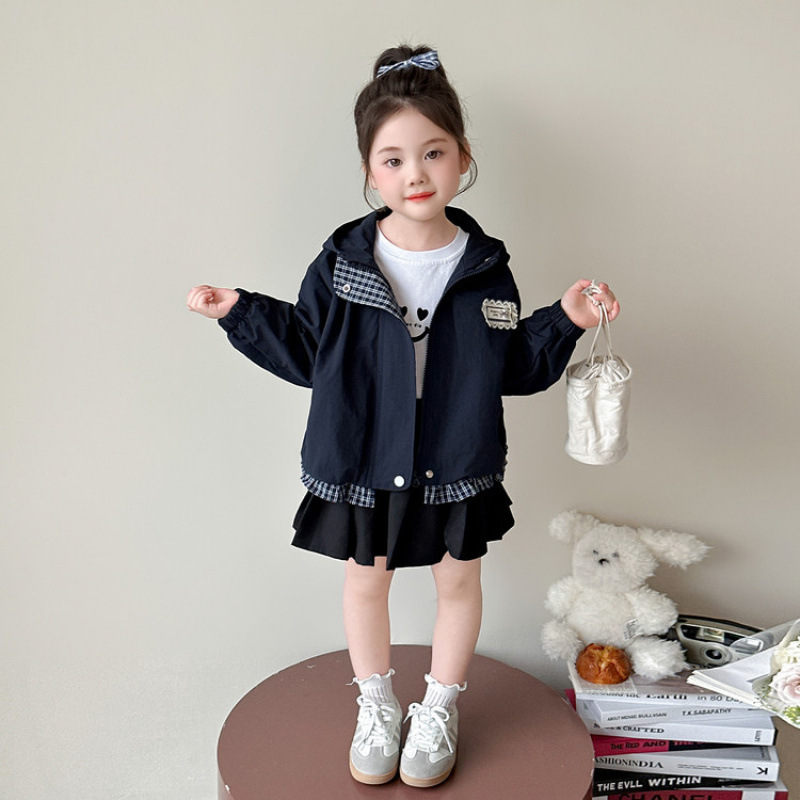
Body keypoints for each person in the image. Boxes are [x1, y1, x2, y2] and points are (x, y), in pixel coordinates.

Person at [187, 44, 619, 788]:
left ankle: (440, 707)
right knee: (366, 582)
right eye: (393, 159)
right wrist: (240, 312)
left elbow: (513, 365)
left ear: (462, 158)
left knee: (459, 583)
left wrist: (568, 319)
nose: (414, 173)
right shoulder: (342, 262)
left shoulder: (484, 265)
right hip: (364, 454)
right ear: (369, 171)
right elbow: (309, 350)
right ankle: (377, 706)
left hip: (456, 455)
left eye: (432, 153)